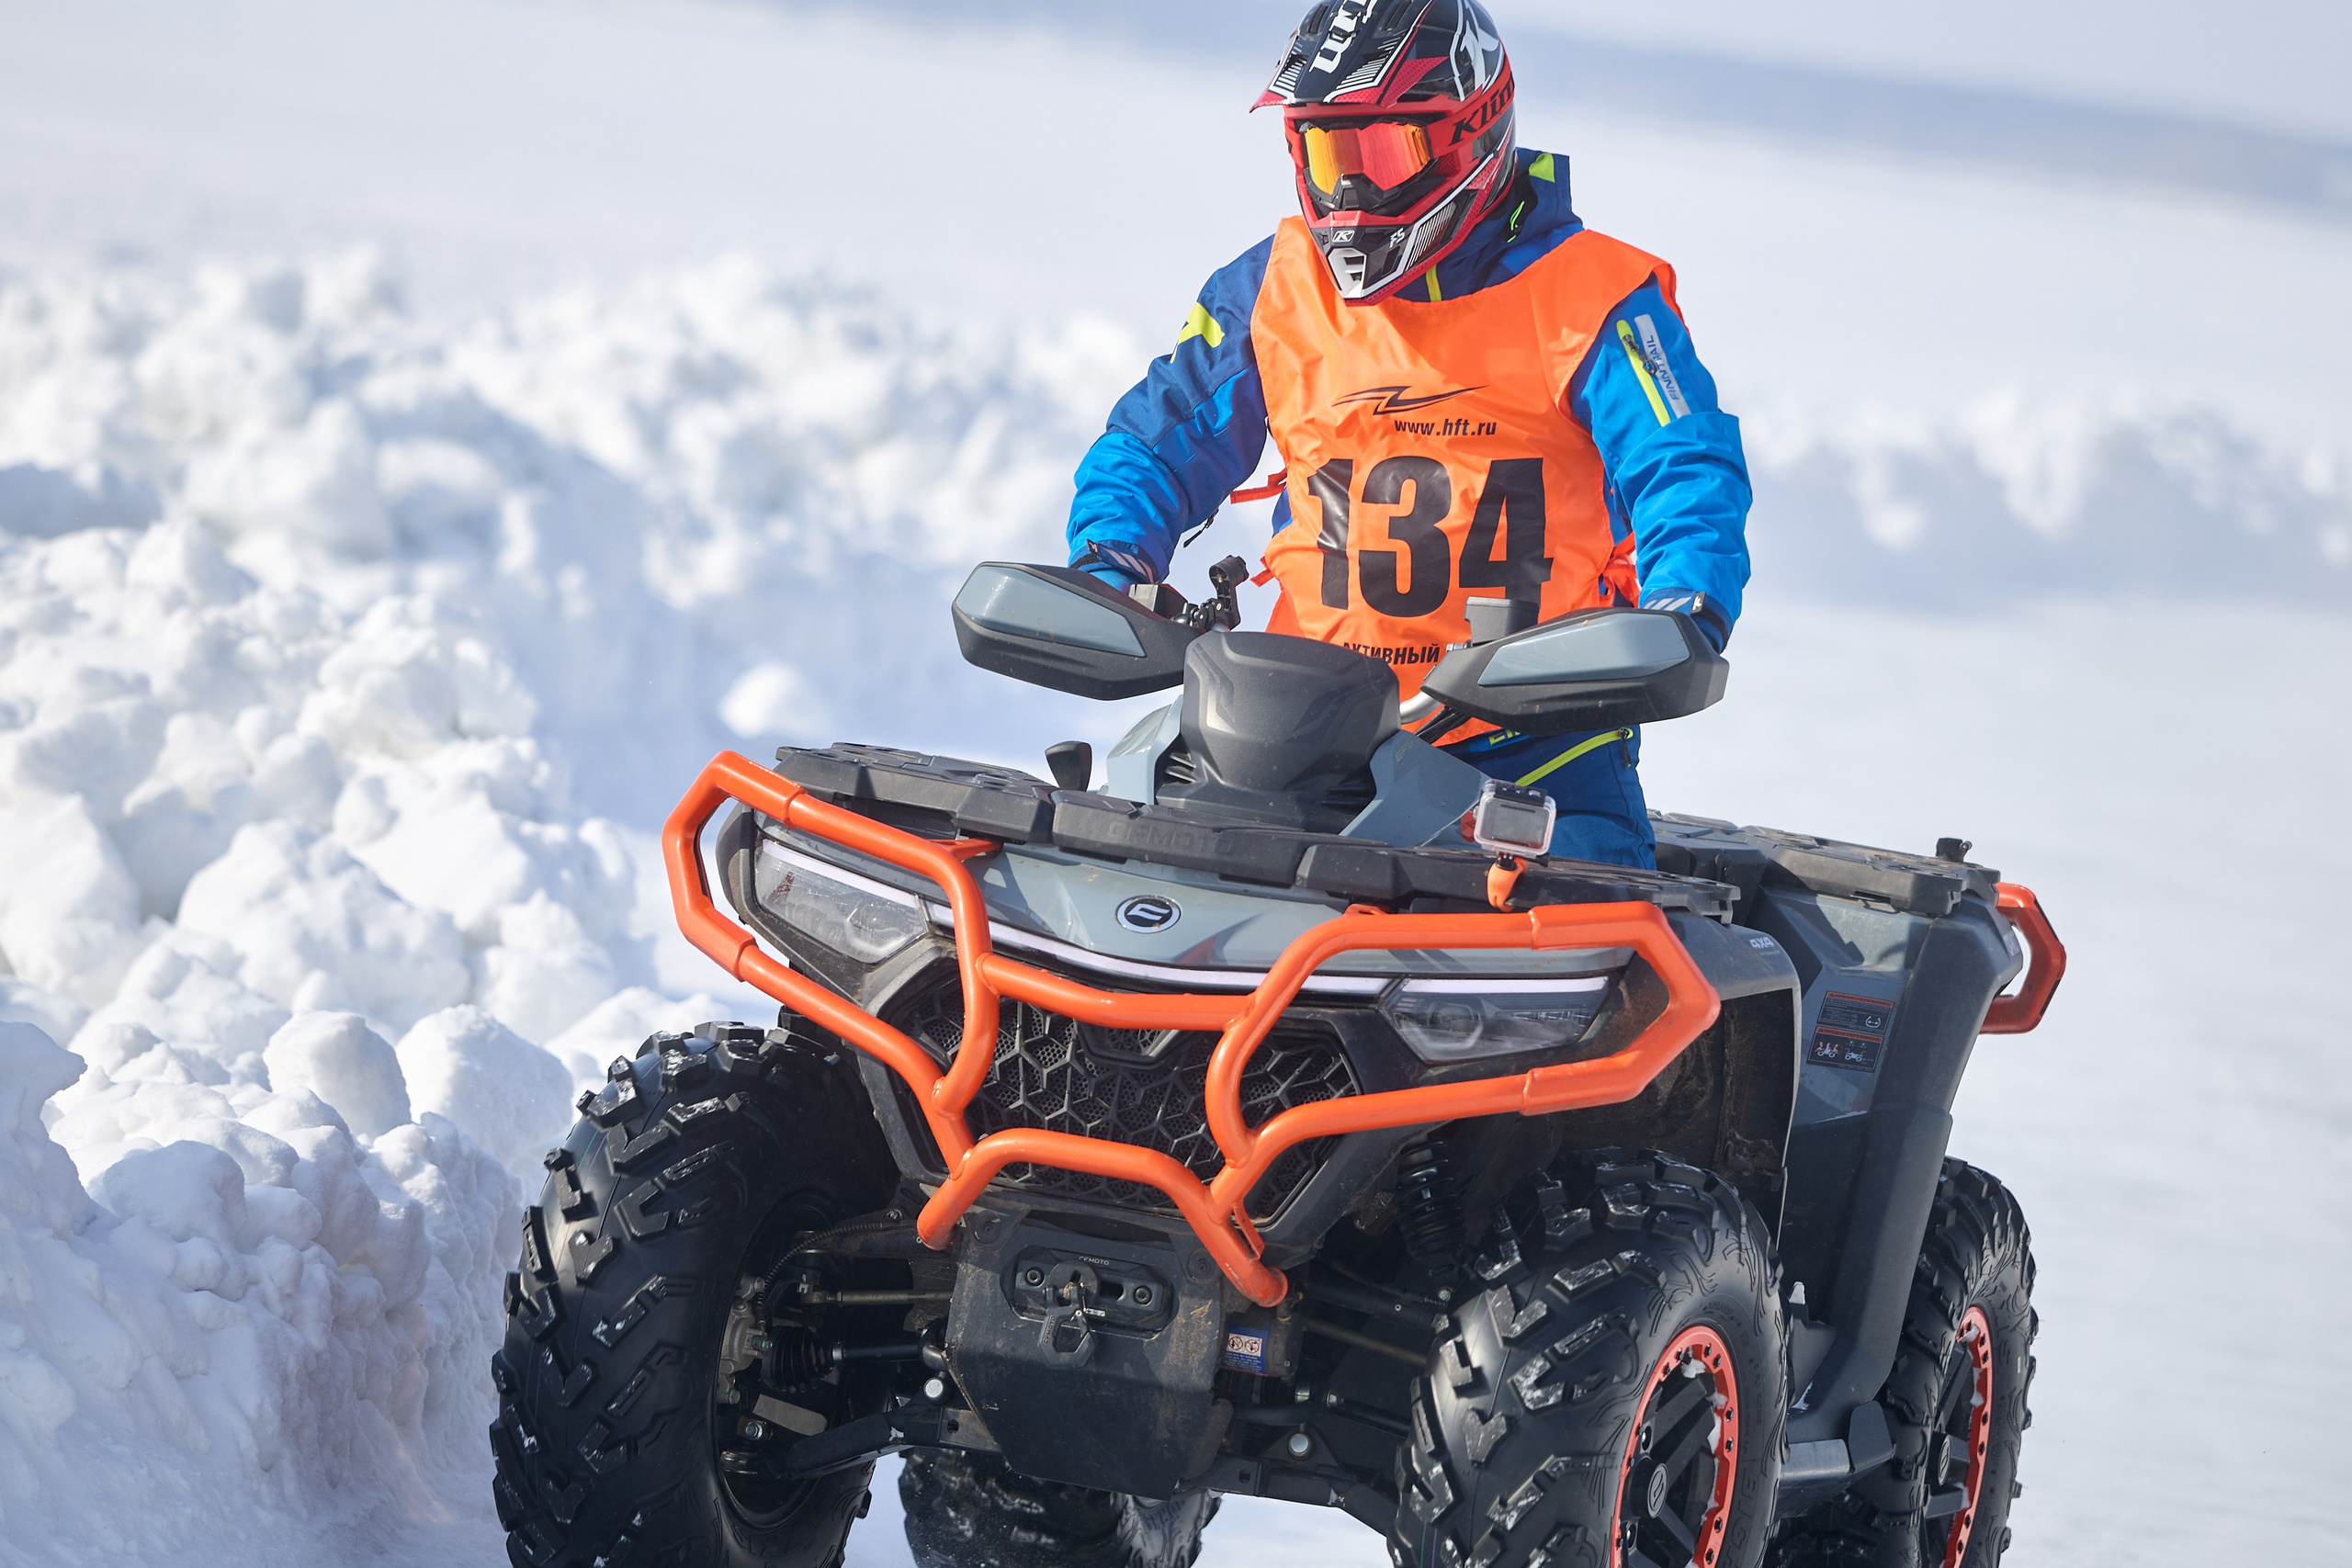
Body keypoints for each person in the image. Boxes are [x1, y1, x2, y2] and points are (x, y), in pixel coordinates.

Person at [1064, 0, 1751, 871]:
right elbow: (1160, 436)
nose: (1348, 190)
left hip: (1533, 750)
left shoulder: (1596, 300)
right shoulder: (1275, 288)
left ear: (1472, 131)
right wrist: (1112, 557)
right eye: (1325, 152)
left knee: (1592, 965)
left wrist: (1686, 608)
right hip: (1287, 743)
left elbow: (1685, 464)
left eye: (1380, 153)